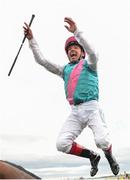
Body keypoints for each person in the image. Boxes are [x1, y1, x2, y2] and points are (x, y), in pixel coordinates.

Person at [23, 17, 120, 177]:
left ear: (82, 52)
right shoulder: (64, 70)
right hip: (75, 112)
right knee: (61, 144)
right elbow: (42, 61)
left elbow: (93, 52)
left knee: (102, 141)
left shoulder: (90, 64)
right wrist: (31, 40)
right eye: (69, 49)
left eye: (75, 47)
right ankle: (92, 156)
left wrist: (76, 32)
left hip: (92, 108)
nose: (72, 50)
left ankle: (109, 156)